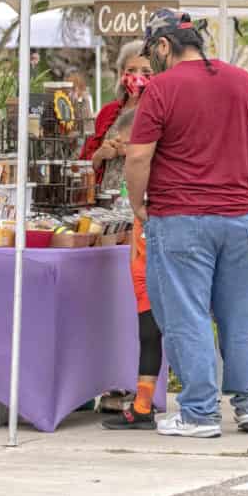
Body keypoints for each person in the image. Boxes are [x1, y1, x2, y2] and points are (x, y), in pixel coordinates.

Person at [125, 9, 248, 438]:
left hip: (181, 217)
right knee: (241, 317)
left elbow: (138, 156)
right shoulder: (245, 81)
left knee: (187, 316)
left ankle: (198, 413)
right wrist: (247, 179)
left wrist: (138, 204)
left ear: (162, 46)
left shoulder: (161, 88)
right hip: (241, 217)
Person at [101, 108, 169, 430]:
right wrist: (132, 254)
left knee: (170, 331)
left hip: (161, 259)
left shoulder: (161, 172)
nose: (125, 151)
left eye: (128, 144)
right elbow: (136, 219)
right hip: (141, 261)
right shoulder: (136, 174)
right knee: (148, 333)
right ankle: (143, 404)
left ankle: (200, 400)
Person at [81, 41, 150, 185]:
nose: (137, 77)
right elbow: (83, 166)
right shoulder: (107, 112)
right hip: (105, 203)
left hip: (145, 202)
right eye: (131, 70)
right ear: (121, 73)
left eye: (146, 72)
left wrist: (132, 150)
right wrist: (99, 155)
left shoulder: (163, 113)